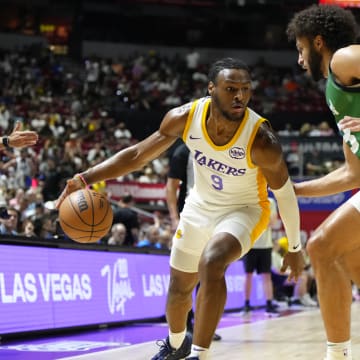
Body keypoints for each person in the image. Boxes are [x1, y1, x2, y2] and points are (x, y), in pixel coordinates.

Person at [56, 57, 305, 360]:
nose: (239, 96)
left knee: (213, 263)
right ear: (211, 89)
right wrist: (85, 177)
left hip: (245, 209)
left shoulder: (262, 141)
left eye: (245, 89)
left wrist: (294, 246)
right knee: (178, 289)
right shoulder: (185, 117)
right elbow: (137, 154)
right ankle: (176, 345)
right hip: (199, 207)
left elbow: (285, 194)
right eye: (230, 89)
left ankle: (199, 354)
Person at [286, 5, 360, 360]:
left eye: (301, 50)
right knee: (344, 256)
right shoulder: (337, 89)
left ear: (318, 43)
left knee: (321, 247)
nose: (300, 60)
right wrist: (293, 189)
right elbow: (352, 174)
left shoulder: (344, 60)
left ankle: (337, 355)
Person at [166, 142, 222, 341]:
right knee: (187, 275)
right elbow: (171, 186)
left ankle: (203, 325)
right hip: (189, 217)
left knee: (209, 271)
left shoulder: (218, 147)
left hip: (216, 216)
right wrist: (174, 218)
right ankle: (186, 326)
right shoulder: (183, 152)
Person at [242, 196, 279, 316]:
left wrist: (257, 220)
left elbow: (273, 222)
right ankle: (246, 304)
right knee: (248, 276)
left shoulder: (271, 201)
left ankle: (269, 303)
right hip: (250, 244)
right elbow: (245, 221)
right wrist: (264, 219)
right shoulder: (248, 198)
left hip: (265, 245)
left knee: (266, 276)